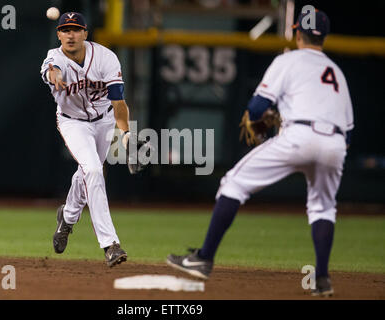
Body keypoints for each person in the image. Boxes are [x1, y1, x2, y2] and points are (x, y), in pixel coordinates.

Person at [167, 9, 354, 297]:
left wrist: (266, 124)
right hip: (335, 143)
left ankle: (204, 258)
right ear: (324, 37)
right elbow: (349, 131)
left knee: (233, 183)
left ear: (296, 32)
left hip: (299, 135)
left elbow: (256, 108)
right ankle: (323, 278)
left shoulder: (288, 60)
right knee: (323, 208)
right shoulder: (337, 73)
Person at [40, 12, 133, 267]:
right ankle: (110, 244)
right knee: (93, 170)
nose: (71, 35)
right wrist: (55, 76)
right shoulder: (54, 57)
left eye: (76, 30)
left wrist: (125, 134)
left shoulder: (105, 57)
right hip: (73, 122)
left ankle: (68, 217)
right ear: (59, 34)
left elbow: (118, 102)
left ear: (85, 34)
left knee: (86, 174)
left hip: (104, 121)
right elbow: (52, 71)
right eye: (65, 30)